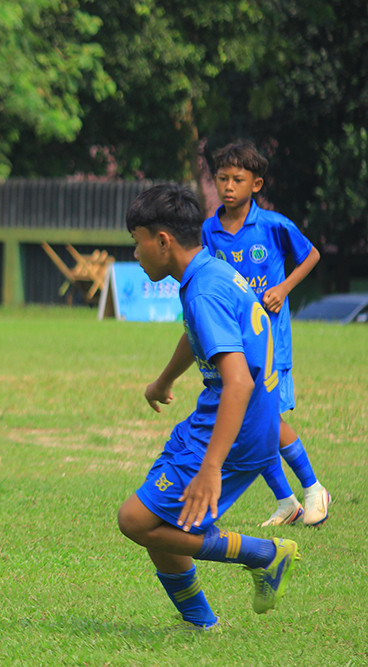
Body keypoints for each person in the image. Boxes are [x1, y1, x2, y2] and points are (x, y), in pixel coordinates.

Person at [117, 184, 299, 631]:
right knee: (159, 518)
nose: (135, 254)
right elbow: (199, 333)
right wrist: (164, 380)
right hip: (236, 421)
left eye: (137, 241)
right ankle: (200, 623)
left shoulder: (202, 291)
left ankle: (264, 553)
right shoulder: (212, 272)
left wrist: (211, 466)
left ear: (162, 240)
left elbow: (238, 379)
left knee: (136, 519)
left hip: (230, 428)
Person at [202, 141, 329, 527]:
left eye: (237, 179)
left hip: (272, 342)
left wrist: (284, 287)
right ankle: (287, 501)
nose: (228, 186)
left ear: (255, 184)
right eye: (221, 178)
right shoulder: (209, 229)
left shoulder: (273, 224)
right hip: (234, 344)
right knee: (248, 425)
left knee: (266, 421)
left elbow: (311, 256)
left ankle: (313, 489)